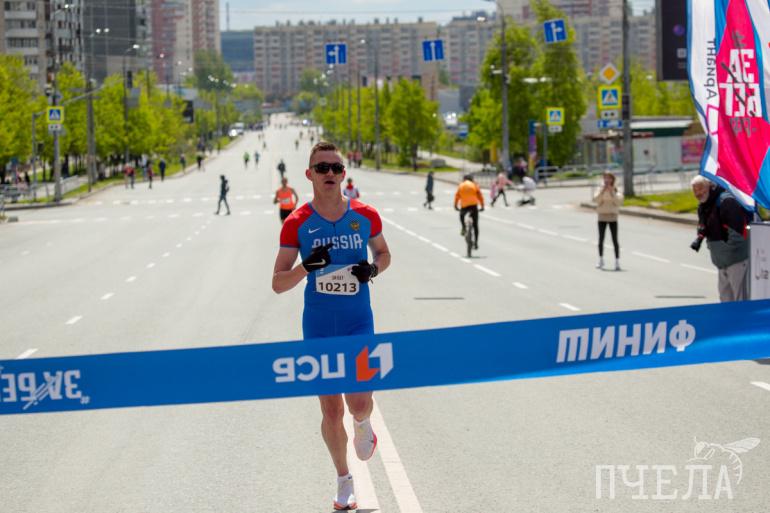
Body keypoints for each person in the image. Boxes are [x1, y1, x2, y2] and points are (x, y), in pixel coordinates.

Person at [272, 141, 391, 511]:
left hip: (358, 321)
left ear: (344, 174)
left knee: (357, 403)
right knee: (330, 411)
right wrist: (307, 266)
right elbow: (278, 282)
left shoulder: (365, 215)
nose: (329, 174)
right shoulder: (297, 223)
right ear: (309, 174)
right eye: (322, 168)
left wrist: (371, 269)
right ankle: (344, 480)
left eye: (336, 168)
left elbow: (384, 254)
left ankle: (364, 423)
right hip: (320, 325)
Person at [691, 176, 750, 301]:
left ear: (710, 186)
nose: (697, 193)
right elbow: (704, 228)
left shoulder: (726, 201)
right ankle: (729, 321)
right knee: (725, 300)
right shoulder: (704, 205)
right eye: (695, 191)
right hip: (721, 261)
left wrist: (726, 250)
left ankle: (742, 321)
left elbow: (739, 233)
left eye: (700, 189)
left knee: (741, 300)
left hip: (736, 260)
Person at [594, 172, 623, 270]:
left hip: (612, 216)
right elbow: (596, 200)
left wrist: (612, 192)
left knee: (615, 239)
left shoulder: (616, 189)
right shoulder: (599, 189)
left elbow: (618, 202)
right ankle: (601, 259)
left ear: (612, 179)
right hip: (602, 216)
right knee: (601, 239)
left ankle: (617, 261)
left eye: (609, 178)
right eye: (605, 178)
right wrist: (602, 192)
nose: (607, 180)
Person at [454, 174, 484, 249]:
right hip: (473, 206)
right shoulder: (474, 185)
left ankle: (464, 227)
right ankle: (476, 243)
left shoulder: (461, 185)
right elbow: (480, 196)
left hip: (464, 206)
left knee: (461, 216)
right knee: (475, 225)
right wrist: (482, 206)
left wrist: (455, 205)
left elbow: (457, 196)